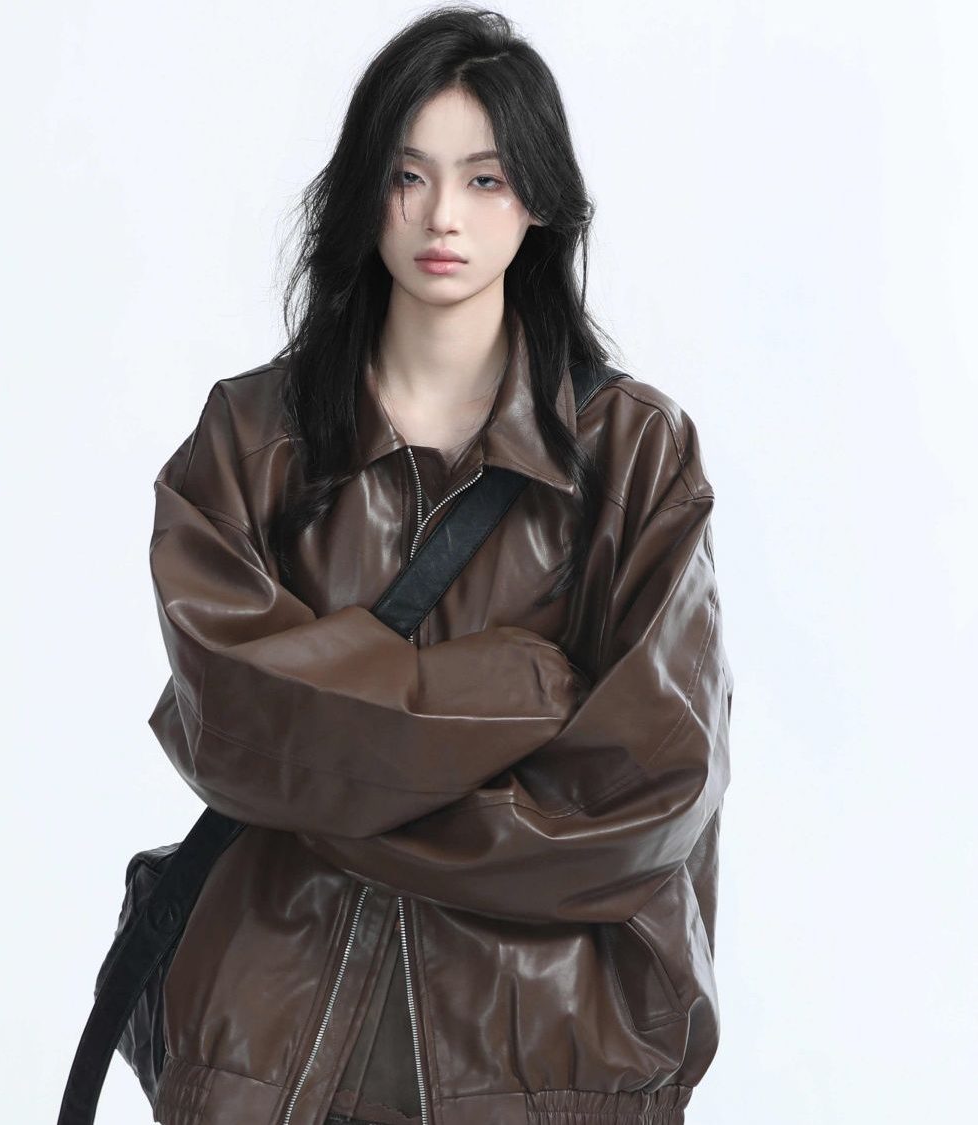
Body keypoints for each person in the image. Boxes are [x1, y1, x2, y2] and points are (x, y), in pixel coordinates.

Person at [145, 6, 733, 1125]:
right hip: (272, 1043)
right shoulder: (251, 437)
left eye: (485, 178)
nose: (441, 216)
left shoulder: (633, 455)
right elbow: (233, 721)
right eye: (406, 176)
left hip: (545, 1053)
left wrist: (333, 779)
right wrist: (518, 687)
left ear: (540, 199)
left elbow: (643, 798)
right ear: (362, 190)